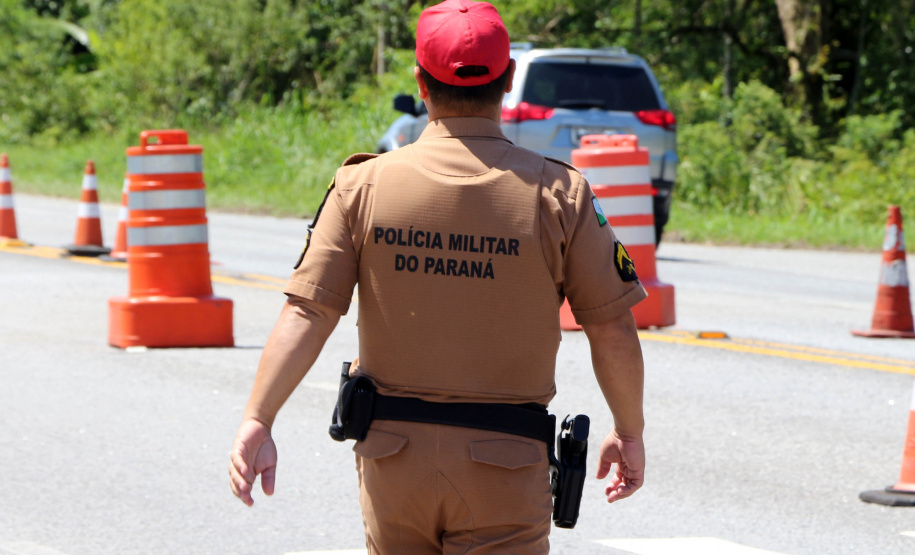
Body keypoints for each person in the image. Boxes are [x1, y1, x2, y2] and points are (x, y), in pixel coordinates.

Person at [229, 0, 647, 552]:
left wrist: (259, 418)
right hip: (506, 459)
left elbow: (309, 310)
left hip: (392, 461)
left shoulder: (362, 186)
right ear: (509, 80)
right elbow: (612, 329)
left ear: (420, 84)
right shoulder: (559, 194)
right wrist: (628, 432)